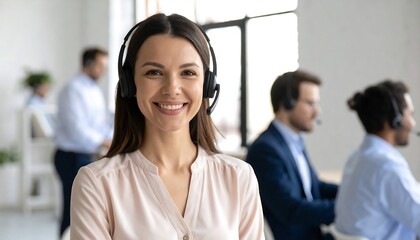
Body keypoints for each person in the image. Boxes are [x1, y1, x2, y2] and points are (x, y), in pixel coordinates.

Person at [70, 13, 265, 240]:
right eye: (154, 72)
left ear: (207, 85)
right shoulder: (97, 184)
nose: (172, 88)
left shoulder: (239, 178)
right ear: (129, 84)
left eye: (188, 73)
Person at [246, 70, 338, 240]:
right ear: (287, 103)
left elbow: (314, 187)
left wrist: (351, 193)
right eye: (310, 103)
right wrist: (346, 208)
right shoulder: (264, 150)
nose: (317, 112)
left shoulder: (294, 141)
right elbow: (290, 209)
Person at [335, 80, 419, 240]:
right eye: (411, 115)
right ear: (396, 119)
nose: (413, 123)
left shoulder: (357, 158)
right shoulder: (387, 165)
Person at [54, 47, 114, 237]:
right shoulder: (72, 89)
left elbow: (100, 124)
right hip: (70, 157)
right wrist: (104, 142)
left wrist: (112, 137)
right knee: (73, 211)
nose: (103, 70)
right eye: (100, 65)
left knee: (86, 212)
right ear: (88, 64)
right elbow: (76, 129)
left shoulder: (94, 89)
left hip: (86, 155)